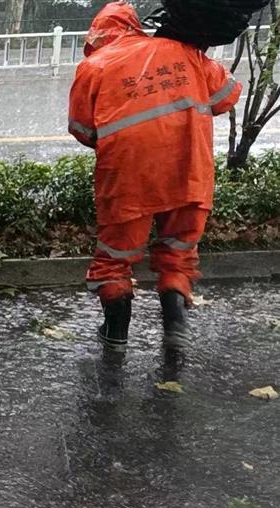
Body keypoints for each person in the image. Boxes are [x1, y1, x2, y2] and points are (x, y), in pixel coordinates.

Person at [67, 2, 241, 350]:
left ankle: (116, 332)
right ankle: (174, 325)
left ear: (96, 34)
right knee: (178, 251)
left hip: (130, 177)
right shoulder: (181, 49)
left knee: (115, 257)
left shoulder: (93, 67)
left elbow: (82, 130)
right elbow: (226, 97)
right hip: (188, 170)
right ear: (134, 26)